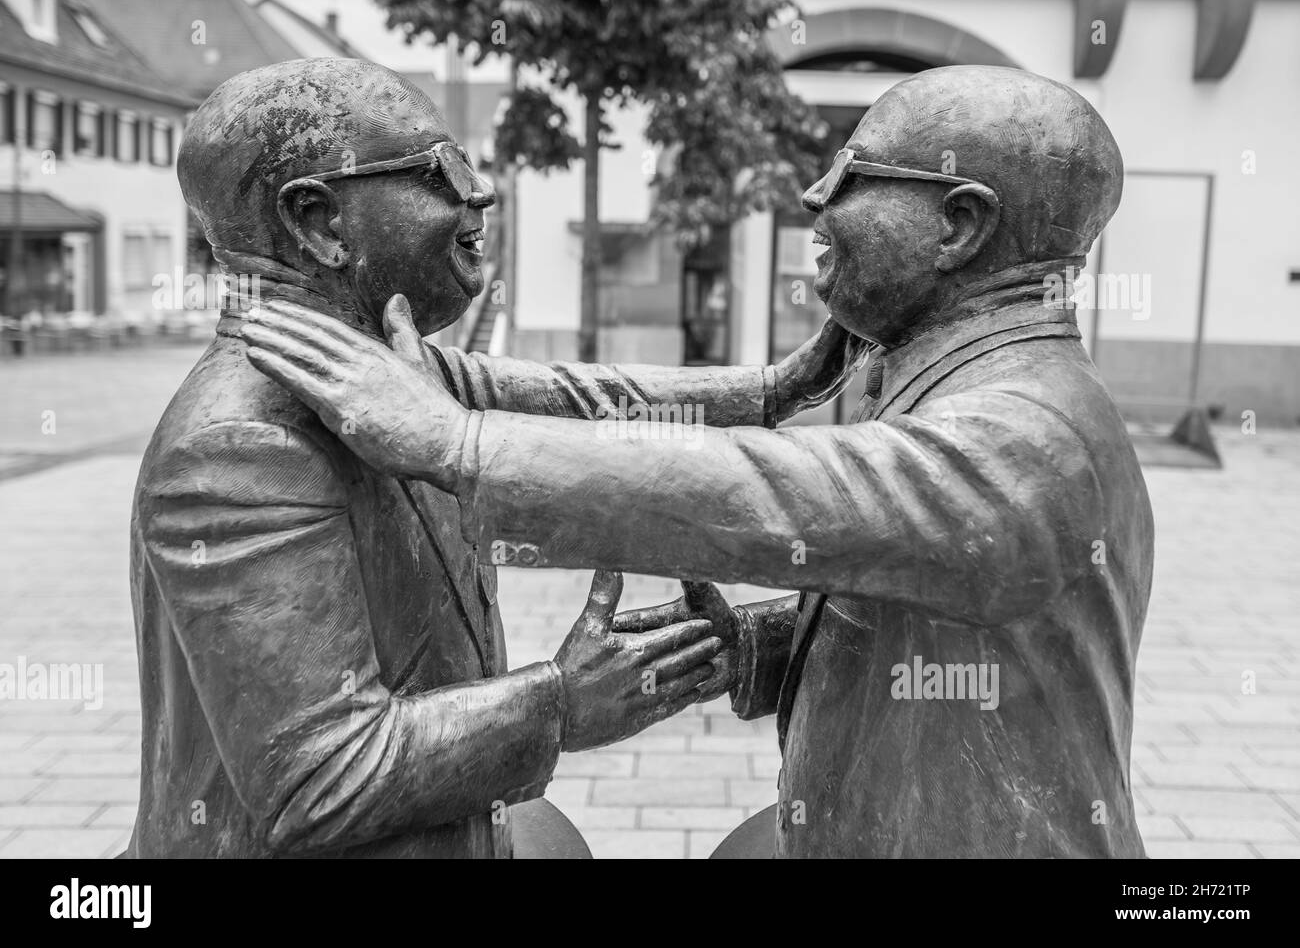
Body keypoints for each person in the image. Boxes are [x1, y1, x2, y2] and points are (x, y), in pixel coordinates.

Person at [242, 65, 1154, 858]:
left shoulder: (1033, 431)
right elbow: (925, 591)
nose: (813, 198)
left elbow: (776, 493)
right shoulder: (963, 377)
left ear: (959, 223)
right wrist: (754, 644)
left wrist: (451, 443)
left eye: (850, 173)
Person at [129, 57, 861, 858]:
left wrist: (775, 389)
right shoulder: (240, 447)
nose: (476, 193)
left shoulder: (388, 359)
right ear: (321, 223)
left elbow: (579, 397)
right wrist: (560, 702)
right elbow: (316, 777)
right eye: (438, 171)